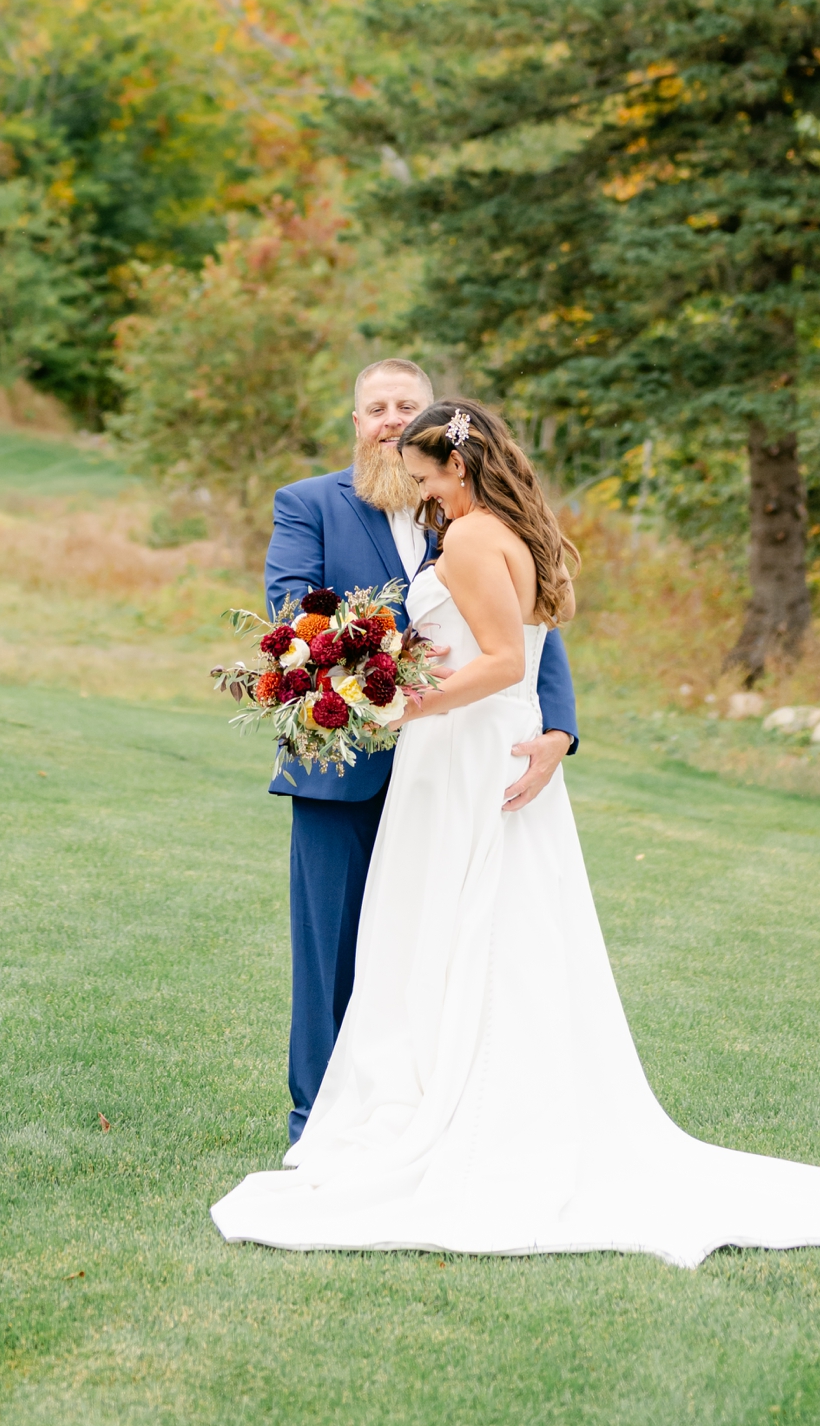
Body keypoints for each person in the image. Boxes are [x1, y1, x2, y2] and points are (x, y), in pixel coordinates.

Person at [213, 399, 820, 1265]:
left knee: (458, 925)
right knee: (498, 927)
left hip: (464, 752)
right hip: (490, 746)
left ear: (457, 465)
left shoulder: (467, 538)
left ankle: (457, 1108)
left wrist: (405, 701)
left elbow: (501, 660)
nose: (420, 489)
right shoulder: (508, 529)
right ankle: (478, 1093)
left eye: (426, 474)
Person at [264, 360, 578, 1145]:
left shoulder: (464, 509)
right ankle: (319, 1121)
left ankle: (436, 1108)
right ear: (355, 418)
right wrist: (382, 668)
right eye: (377, 407)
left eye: (408, 406)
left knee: (444, 941)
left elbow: (528, 631)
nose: (392, 420)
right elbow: (292, 612)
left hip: (461, 765)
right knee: (332, 952)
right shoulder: (309, 504)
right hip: (346, 766)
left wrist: (557, 729)